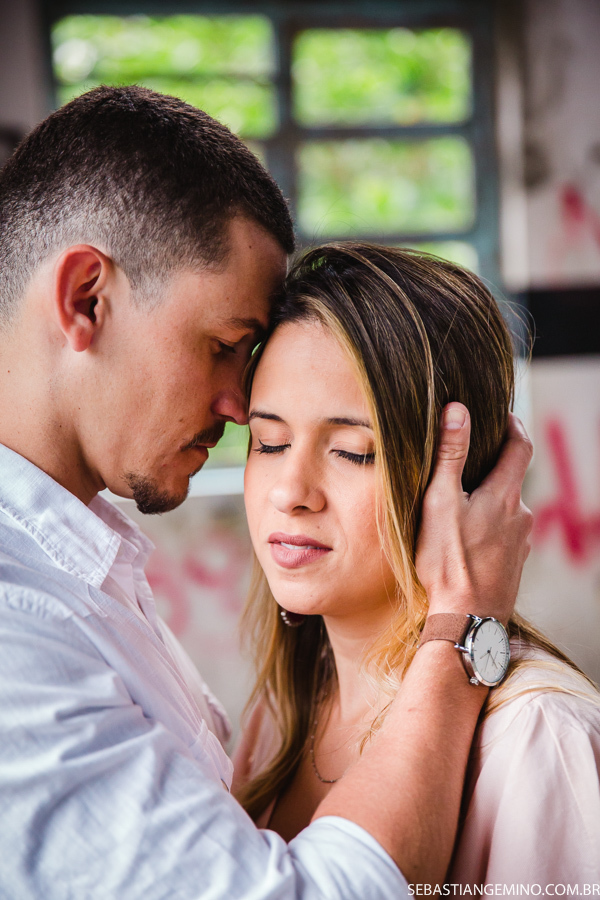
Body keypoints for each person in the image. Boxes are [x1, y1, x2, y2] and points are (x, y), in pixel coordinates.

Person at [0, 86, 533, 897]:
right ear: (86, 299)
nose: (238, 405)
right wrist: (467, 628)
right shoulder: (20, 619)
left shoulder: (539, 735)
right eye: (224, 344)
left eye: (352, 450)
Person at [235, 243, 600, 884]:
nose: (289, 491)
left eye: (353, 452)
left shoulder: (539, 735)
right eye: (269, 442)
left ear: (458, 478)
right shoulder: (281, 713)